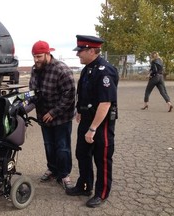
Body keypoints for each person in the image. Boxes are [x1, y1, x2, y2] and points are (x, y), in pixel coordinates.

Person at [65, 35, 119, 208]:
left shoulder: (105, 71)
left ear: (91, 50)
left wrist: (93, 128)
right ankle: (84, 185)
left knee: (101, 159)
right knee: (82, 154)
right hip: (86, 119)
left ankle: (101, 193)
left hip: (100, 123)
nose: (77, 55)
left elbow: (105, 102)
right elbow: (83, 93)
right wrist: (80, 111)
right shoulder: (87, 69)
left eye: (80, 51)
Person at [29, 40, 76, 190]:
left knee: (62, 147)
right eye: (34, 57)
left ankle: (64, 175)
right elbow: (32, 91)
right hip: (44, 117)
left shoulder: (61, 70)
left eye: (39, 56)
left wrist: (53, 112)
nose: (36, 60)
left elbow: (69, 95)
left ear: (48, 54)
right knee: (49, 145)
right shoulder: (35, 69)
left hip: (61, 117)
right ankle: (53, 169)